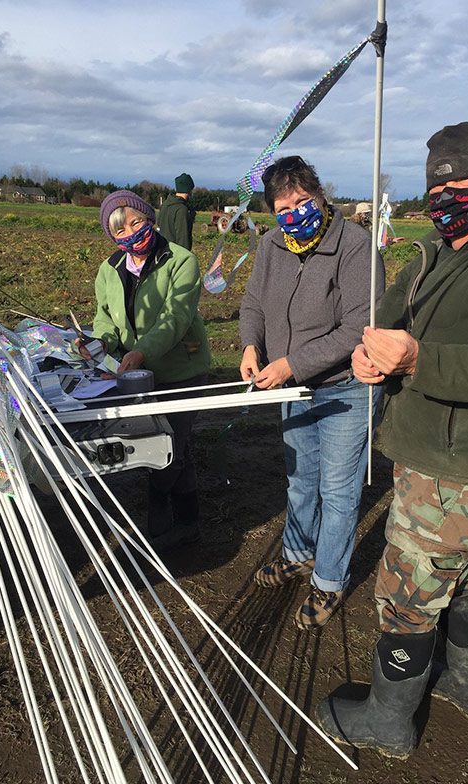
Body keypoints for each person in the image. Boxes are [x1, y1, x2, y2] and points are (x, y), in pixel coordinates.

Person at [316, 122, 468, 757]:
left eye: (462, 184)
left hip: (458, 459)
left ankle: (387, 722)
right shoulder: (437, 248)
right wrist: (373, 353)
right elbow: (390, 313)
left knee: (407, 593)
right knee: (457, 574)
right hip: (425, 442)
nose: (447, 196)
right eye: (437, 187)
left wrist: (414, 362)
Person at [239, 155, 384, 630]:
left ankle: (328, 581)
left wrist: (291, 365)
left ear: (320, 195)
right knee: (301, 480)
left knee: (338, 492)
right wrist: (250, 345)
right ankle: (299, 555)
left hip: (345, 389)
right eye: (283, 206)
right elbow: (254, 301)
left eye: (302, 200)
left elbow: (358, 328)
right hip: (293, 390)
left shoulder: (356, 246)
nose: (294, 212)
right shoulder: (271, 245)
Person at [83, 190, 210, 551]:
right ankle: (188, 520)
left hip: (181, 368)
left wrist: (140, 352)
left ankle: (163, 504)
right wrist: (101, 342)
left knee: (174, 442)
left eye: (137, 221)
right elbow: (104, 317)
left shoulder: (181, 261)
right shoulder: (109, 269)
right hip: (134, 374)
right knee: (166, 443)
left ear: (149, 218)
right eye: (121, 229)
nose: (132, 232)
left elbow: (176, 317)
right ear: (113, 236)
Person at [157, 173, 196, 250]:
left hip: (162, 252)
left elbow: (160, 225)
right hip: (176, 255)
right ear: (189, 190)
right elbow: (183, 239)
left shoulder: (165, 205)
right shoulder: (181, 209)